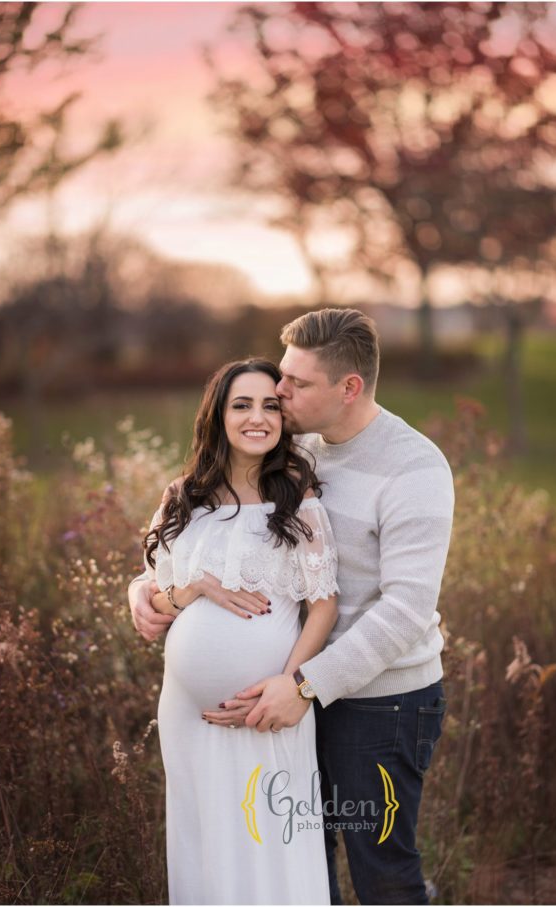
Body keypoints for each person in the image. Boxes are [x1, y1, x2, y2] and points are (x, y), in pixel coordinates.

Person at [129, 309, 455, 905]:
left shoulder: (415, 467)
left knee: (381, 869)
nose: (278, 394)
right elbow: (209, 535)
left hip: (379, 705)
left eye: (296, 385)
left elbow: (406, 609)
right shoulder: (296, 445)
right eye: (282, 376)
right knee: (301, 859)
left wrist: (302, 686)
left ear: (348, 388)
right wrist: (143, 593)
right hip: (288, 696)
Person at [143, 358, 339, 904]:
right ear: (218, 416)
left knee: (267, 837)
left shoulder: (299, 499)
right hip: (187, 713)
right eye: (242, 404)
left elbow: (323, 606)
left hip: (267, 709)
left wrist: (290, 685)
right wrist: (198, 587)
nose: (258, 417)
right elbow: (158, 598)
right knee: (202, 842)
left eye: (270, 406)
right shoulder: (182, 497)